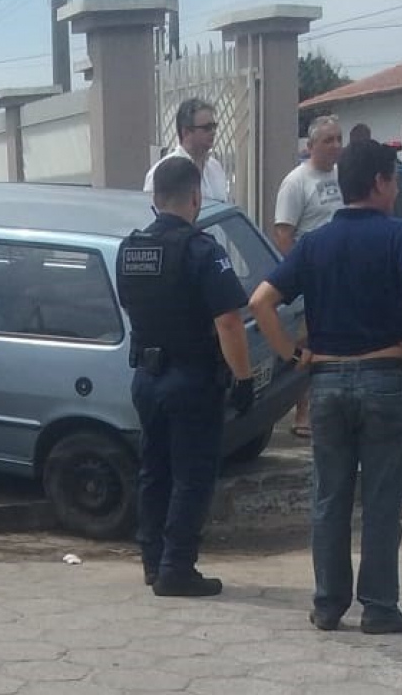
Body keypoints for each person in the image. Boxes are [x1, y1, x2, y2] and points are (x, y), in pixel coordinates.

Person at [249, 139, 402, 635]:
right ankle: (379, 607)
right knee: (381, 499)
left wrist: (295, 355)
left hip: (328, 381)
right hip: (385, 376)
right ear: (379, 183)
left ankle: (328, 603)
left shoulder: (314, 243)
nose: (396, 189)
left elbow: (260, 302)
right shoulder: (398, 236)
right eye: (394, 180)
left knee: (330, 497)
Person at [118, 156, 254, 597]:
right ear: (196, 196)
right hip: (191, 378)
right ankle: (178, 566)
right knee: (192, 474)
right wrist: (244, 377)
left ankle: (154, 561)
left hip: (146, 377)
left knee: (153, 470)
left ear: (155, 199)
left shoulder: (131, 249)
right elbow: (229, 322)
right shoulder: (201, 250)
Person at [272, 115, 344, 439]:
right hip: (310, 278)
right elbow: (284, 234)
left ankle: (328, 408)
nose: (335, 146)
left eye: (338, 139)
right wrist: (299, 278)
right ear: (310, 145)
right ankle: (302, 413)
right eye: (328, 140)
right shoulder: (296, 182)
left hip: (339, 277)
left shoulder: (342, 176)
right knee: (306, 344)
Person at [143, 98, 230, 203]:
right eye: (207, 128)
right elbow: (149, 213)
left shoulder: (215, 168)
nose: (213, 132)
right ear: (186, 132)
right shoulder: (163, 173)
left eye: (214, 126)